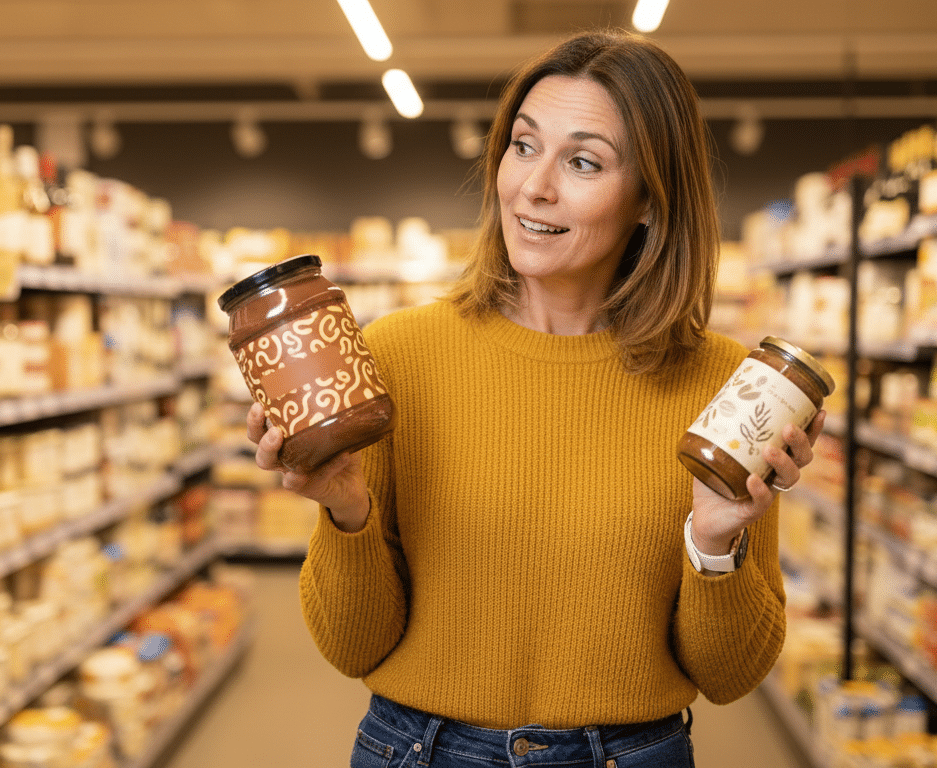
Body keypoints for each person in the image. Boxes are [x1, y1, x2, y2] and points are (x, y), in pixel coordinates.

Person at [247, 28, 825, 768]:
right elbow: (351, 647)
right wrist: (344, 509)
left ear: (651, 200)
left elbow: (731, 675)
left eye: (583, 162)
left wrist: (715, 543)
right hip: (422, 750)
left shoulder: (732, 387)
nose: (533, 186)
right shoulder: (397, 356)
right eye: (523, 146)